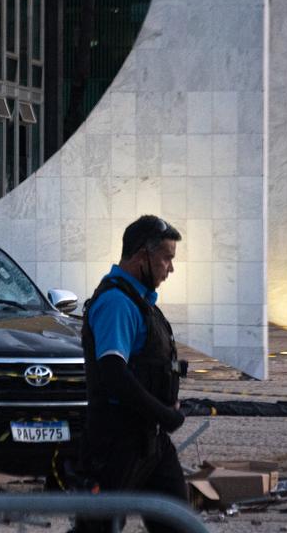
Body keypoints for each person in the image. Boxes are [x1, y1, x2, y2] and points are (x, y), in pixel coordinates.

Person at [72, 215, 188, 533]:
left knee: (179, 523)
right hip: (115, 443)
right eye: (167, 258)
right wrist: (164, 413)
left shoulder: (141, 303)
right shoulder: (116, 303)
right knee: (97, 529)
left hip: (150, 442)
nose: (170, 268)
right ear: (142, 256)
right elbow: (113, 372)